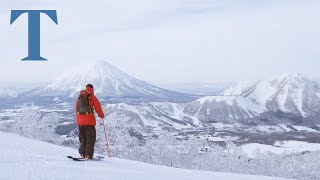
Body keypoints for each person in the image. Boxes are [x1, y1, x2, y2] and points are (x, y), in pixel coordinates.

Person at [75, 84, 105, 159]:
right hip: (89, 121)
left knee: (83, 138)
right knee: (90, 138)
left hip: (80, 121)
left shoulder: (80, 97)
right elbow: (98, 107)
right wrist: (101, 115)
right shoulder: (92, 97)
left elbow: (76, 108)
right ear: (92, 89)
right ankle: (88, 155)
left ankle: (82, 154)